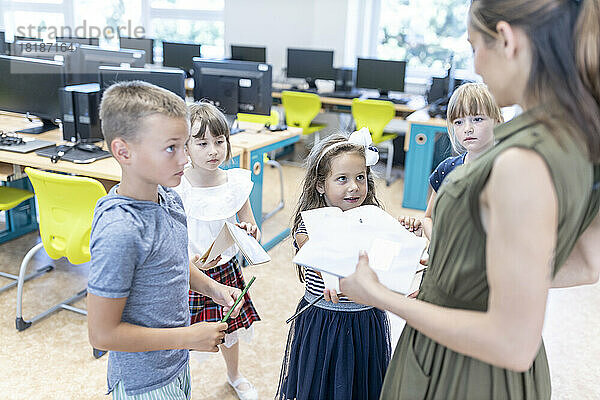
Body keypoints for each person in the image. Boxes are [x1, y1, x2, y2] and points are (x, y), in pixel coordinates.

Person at [340, 1, 600, 398]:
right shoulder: (577, 139)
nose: (476, 65)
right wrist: (471, 278)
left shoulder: (520, 161)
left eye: (475, 46)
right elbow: (585, 263)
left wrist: (378, 295)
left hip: (462, 369)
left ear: (507, 40)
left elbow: (512, 342)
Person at [87, 81, 244, 399]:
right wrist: (186, 337)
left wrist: (213, 288)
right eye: (171, 148)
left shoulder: (169, 198)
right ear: (123, 151)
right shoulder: (121, 230)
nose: (185, 159)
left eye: (185, 145)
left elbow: (173, 263)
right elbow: (102, 334)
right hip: (143, 383)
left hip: (175, 365)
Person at [277, 129, 392, 400]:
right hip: (325, 320)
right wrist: (333, 277)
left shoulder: (374, 218)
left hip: (365, 318)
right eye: (342, 179)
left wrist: (403, 236)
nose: (354, 186)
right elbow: (317, 256)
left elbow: (385, 259)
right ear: (320, 184)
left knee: (361, 385)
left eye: (360, 178)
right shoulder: (309, 225)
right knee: (322, 386)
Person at [174, 102, 260, 400]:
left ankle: (234, 375)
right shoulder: (177, 185)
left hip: (225, 270)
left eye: (219, 142)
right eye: (202, 143)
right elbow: (172, 233)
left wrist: (249, 231)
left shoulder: (235, 182)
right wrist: (187, 260)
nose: (213, 150)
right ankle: (178, 382)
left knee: (228, 329)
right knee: (182, 332)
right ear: (186, 147)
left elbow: (250, 225)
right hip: (187, 273)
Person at [399, 83, 503, 239]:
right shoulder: (447, 168)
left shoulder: (505, 172)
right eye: (459, 122)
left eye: (477, 119)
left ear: (497, 121)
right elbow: (428, 218)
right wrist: (440, 245)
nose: (468, 128)